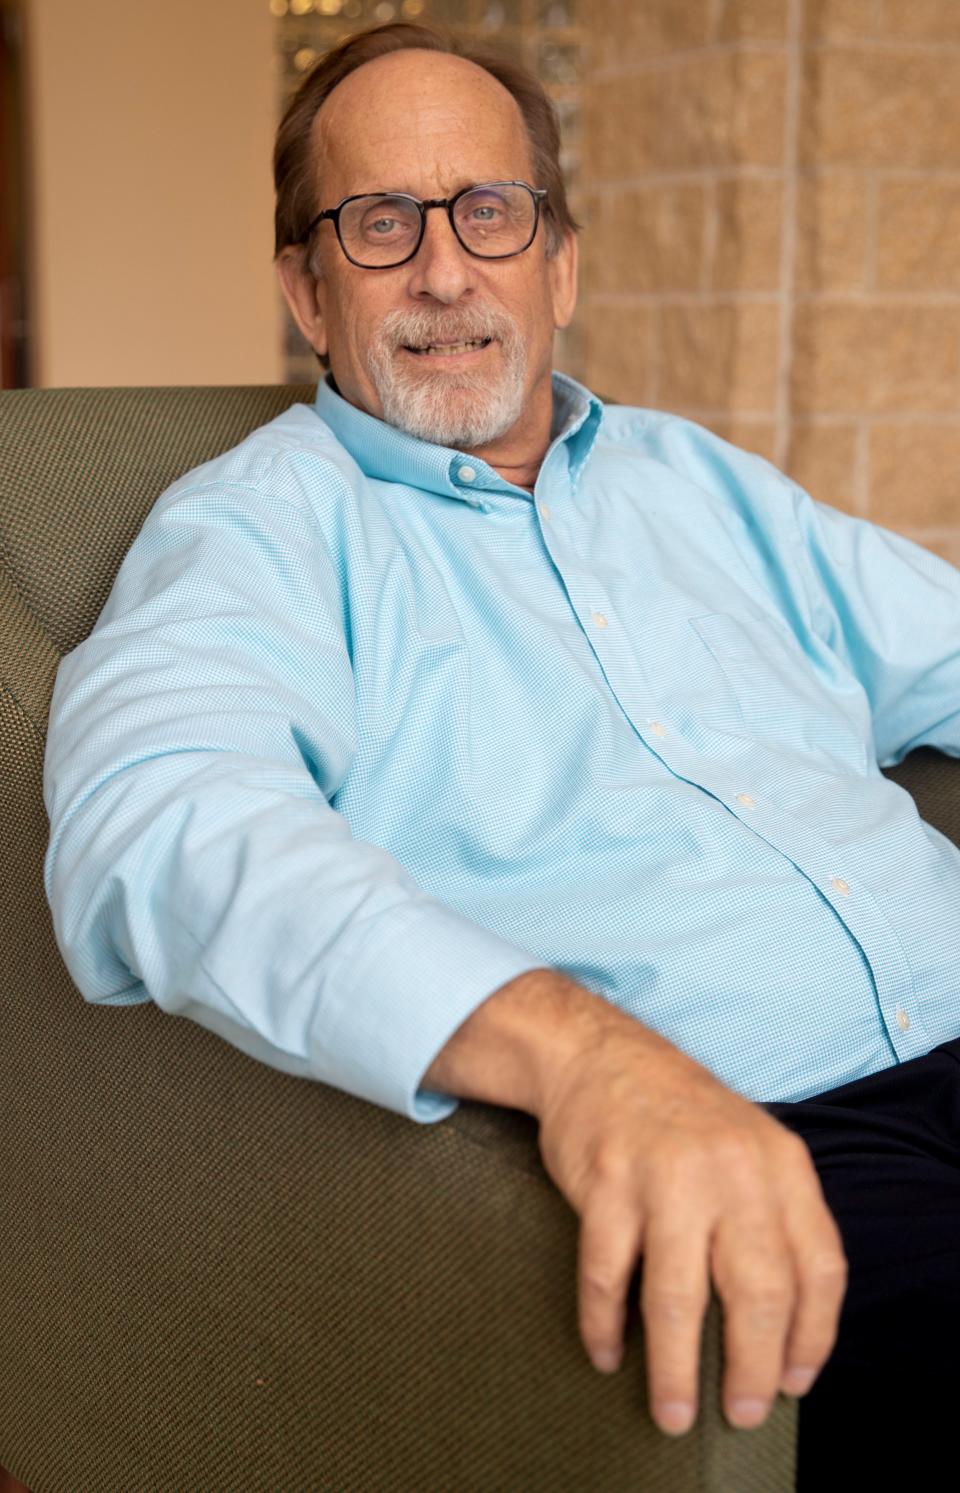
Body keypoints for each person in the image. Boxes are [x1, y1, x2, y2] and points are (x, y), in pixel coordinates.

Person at [42, 20, 960, 1489]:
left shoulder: (702, 482)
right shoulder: (260, 528)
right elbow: (152, 826)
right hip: (771, 1131)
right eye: (380, 223)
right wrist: (585, 1055)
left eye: (490, 211)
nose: (446, 270)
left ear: (560, 263)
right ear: (307, 290)